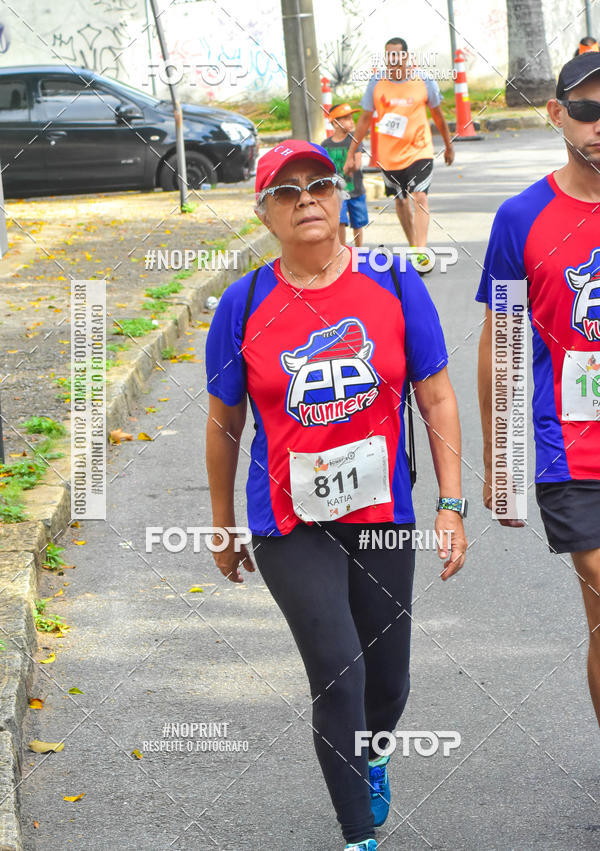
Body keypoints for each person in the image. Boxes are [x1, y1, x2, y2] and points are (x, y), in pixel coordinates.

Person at [205, 139, 468, 850]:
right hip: (289, 521)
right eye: (286, 193)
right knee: (338, 667)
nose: (306, 200)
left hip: (383, 512)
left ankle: (375, 752)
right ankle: (358, 835)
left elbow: (436, 395)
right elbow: (225, 423)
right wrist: (223, 525)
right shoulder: (244, 302)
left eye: (318, 184)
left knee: (387, 681)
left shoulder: (391, 280)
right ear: (266, 214)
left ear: (340, 196)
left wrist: (452, 501)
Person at [477, 53, 600, 727]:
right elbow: (501, 341)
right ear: (557, 114)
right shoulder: (521, 218)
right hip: (573, 451)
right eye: (586, 109)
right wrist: (500, 463)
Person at [343, 36, 454, 256]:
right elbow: (364, 120)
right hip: (389, 155)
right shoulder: (376, 82)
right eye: (389, 55)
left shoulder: (424, 80)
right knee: (401, 201)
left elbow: (438, 116)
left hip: (419, 150)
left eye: (397, 55)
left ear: (406, 56)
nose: (393, 60)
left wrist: (449, 145)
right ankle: (413, 245)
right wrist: (351, 154)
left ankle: (421, 251)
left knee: (420, 196)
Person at [322, 102, 369, 247]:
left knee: (358, 222)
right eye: (347, 118)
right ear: (336, 123)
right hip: (336, 192)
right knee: (340, 221)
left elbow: (358, 162)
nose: (352, 121)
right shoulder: (325, 145)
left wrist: (351, 166)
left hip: (355, 190)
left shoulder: (354, 141)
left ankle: (359, 250)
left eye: (352, 118)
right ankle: (342, 249)